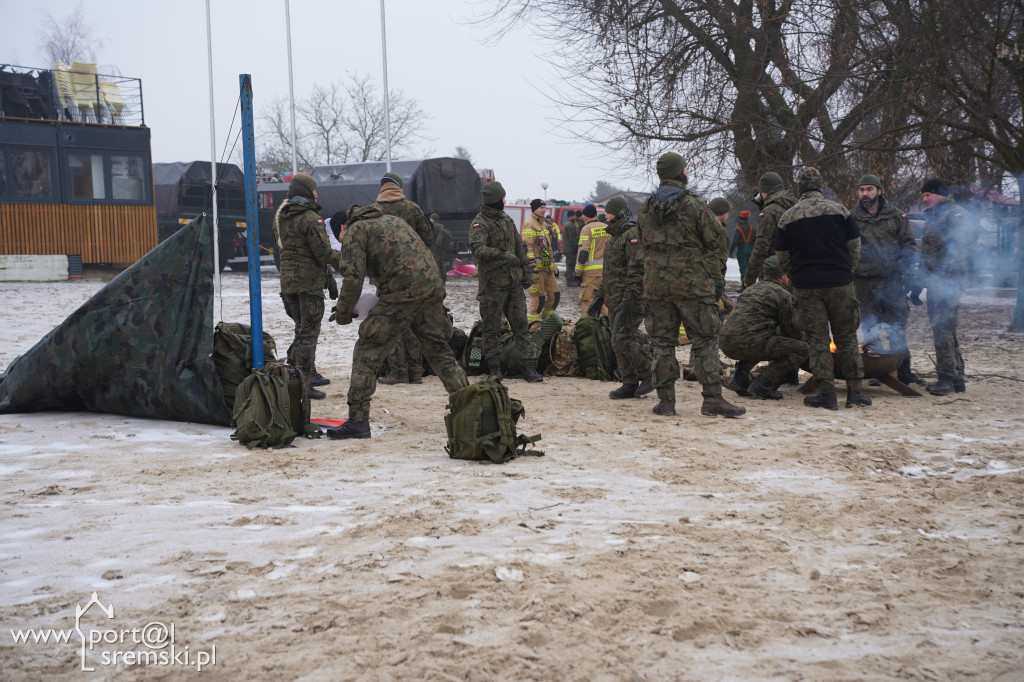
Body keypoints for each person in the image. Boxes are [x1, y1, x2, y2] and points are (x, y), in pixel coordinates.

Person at [326, 203, 469, 439]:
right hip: (431, 286)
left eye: (339, 238)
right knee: (439, 351)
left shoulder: (355, 230)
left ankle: (357, 422)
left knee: (368, 348)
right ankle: (472, 408)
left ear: (342, 227)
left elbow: (353, 279)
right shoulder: (392, 220)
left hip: (401, 291)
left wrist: (343, 313)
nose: (342, 243)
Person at [637, 152, 745, 418]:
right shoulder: (694, 205)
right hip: (692, 285)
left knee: (662, 343)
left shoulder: (647, 207)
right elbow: (716, 238)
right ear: (680, 172)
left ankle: (665, 402)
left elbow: (641, 238)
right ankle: (712, 399)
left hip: (656, 286)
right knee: (705, 339)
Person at [775, 167, 869, 410]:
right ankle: (856, 393)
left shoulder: (787, 217)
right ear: (820, 186)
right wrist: (847, 271)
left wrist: (796, 276)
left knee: (817, 341)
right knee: (847, 338)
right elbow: (855, 247)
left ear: (800, 189)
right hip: (840, 283)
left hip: (807, 286)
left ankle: (826, 394)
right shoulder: (841, 211)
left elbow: (782, 256)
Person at [468, 181, 544, 382]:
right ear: (495, 200)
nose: (504, 201)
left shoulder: (506, 220)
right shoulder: (480, 222)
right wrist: (502, 255)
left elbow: (520, 248)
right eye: (502, 198)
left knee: (521, 326)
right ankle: (494, 368)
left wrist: (527, 273)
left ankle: (528, 367)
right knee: (491, 328)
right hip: (492, 287)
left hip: (514, 285)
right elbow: (478, 249)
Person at [850, 174, 921, 385]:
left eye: (869, 189)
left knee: (897, 324)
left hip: (892, 280)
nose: (865, 194)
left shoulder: (896, 215)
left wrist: (909, 273)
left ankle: (903, 370)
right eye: (861, 190)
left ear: (879, 191)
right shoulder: (851, 217)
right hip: (863, 281)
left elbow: (908, 245)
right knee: (870, 327)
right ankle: (876, 371)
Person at [275, 173, 339, 400]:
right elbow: (323, 253)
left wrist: (328, 278)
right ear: (305, 192)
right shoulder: (311, 218)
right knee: (308, 334)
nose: (317, 194)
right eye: (314, 190)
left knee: (302, 328)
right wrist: (348, 257)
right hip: (309, 284)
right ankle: (301, 381)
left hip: (289, 283)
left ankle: (307, 373)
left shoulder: (282, 217)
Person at [721, 256, 808, 400]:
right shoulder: (783, 295)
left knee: (760, 340)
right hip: (749, 341)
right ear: (782, 277)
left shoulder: (750, 290)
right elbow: (792, 330)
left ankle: (739, 378)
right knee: (802, 348)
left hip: (726, 343)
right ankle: (763, 384)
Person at [376, 171, 433, 386]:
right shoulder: (412, 208)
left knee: (391, 325)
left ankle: (397, 372)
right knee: (412, 322)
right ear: (399, 187)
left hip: (386, 278)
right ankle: (415, 372)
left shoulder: (376, 211)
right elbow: (428, 237)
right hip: (414, 276)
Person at [916, 178, 971, 396]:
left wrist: (947, 277)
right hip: (935, 281)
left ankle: (946, 379)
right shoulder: (935, 217)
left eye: (927, 195)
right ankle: (957, 378)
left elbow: (961, 247)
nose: (925, 200)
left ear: (939, 194)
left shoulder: (955, 214)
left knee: (942, 328)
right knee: (945, 328)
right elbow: (928, 253)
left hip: (947, 283)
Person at [599, 195, 653, 399]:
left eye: (609, 212)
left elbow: (638, 270)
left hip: (631, 299)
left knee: (622, 338)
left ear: (620, 213)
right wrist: (599, 295)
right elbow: (610, 271)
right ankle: (629, 382)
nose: (606, 216)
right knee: (617, 340)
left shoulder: (632, 234)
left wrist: (630, 299)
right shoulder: (614, 236)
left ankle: (649, 372)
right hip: (614, 298)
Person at [743, 172, 797, 287]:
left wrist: (749, 279)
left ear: (764, 191)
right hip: (795, 269)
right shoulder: (795, 207)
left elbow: (761, 247)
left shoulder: (769, 212)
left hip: (774, 272)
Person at [522, 199, 560, 322]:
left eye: (544, 207)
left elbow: (549, 248)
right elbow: (528, 246)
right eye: (541, 208)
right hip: (536, 269)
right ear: (534, 209)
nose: (544, 210)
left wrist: (553, 266)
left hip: (547, 268)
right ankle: (532, 326)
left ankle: (546, 322)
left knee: (555, 296)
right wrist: (532, 267)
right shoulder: (529, 224)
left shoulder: (544, 224)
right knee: (539, 298)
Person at [575, 204, 609, 314]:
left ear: (587, 216)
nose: (582, 217)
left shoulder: (586, 229)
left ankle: (586, 329)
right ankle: (610, 329)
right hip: (605, 272)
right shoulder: (606, 227)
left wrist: (577, 273)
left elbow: (583, 252)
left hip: (590, 274)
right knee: (603, 302)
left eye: (583, 215)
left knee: (587, 300)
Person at [730, 210, 756, 283]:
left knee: (743, 269)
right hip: (751, 251)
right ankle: (749, 285)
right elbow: (755, 241)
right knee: (750, 269)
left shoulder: (739, 228)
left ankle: (744, 286)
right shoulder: (753, 229)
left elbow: (735, 241)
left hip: (741, 251)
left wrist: (731, 251)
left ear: (741, 218)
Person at [429, 213, 452, 283]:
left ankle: (437, 280)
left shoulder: (433, 227)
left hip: (434, 249)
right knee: (442, 263)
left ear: (432, 219)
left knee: (436, 264)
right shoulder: (442, 227)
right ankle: (443, 279)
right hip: (441, 248)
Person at [562, 210, 582, 287]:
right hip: (570, 249)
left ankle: (569, 278)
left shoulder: (567, 224)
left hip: (567, 248)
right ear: (572, 216)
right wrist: (576, 247)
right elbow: (572, 239)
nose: (575, 217)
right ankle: (569, 280)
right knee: (571, 265)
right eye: (574, 216)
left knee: (569, 264)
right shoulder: (570, 225)